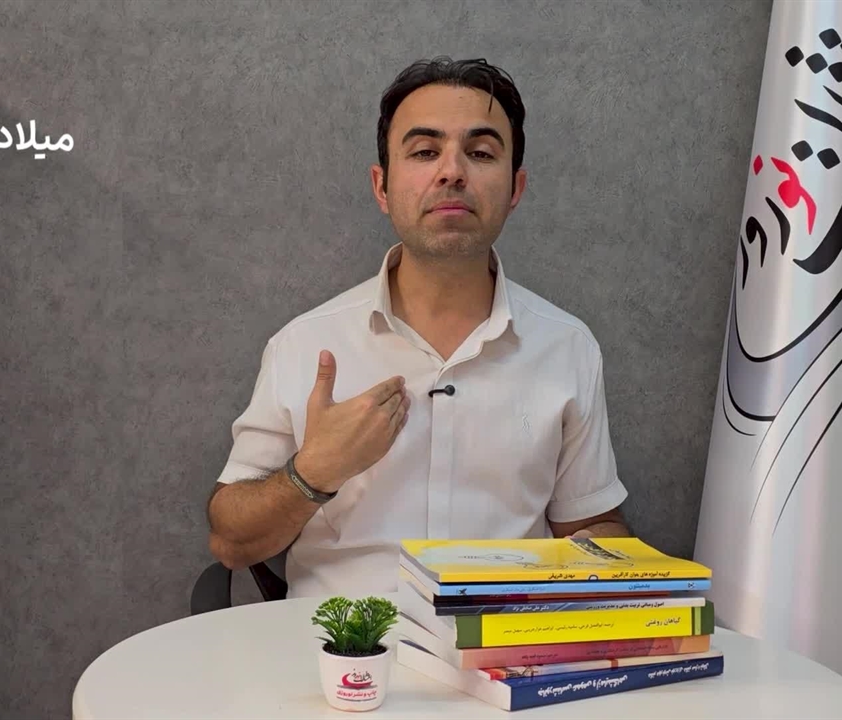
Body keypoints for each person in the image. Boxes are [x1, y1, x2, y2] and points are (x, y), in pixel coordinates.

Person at [206, 57, 631, 598]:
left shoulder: (567, 347)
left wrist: (600, 556)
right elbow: (230, 542)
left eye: (481, 153)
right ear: (382, 187)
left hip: (499, 641)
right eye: (425, 152)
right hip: (340, 640)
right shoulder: (305, 345)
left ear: (515, 189)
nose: (452, 172)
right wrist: (313, 472)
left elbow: (592, 524)